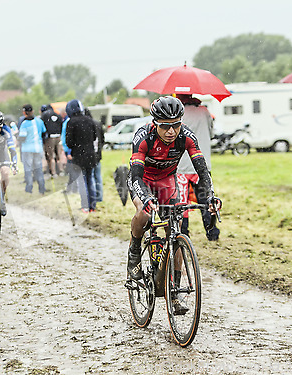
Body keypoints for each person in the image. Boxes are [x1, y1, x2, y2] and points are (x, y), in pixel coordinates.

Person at [126, 96, 221, 314]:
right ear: (155, 124)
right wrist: (147, 198)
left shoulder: (186, 136)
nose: (171, 131)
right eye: (165, 126)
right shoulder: (143, 137)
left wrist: (209, 197)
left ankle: (175, 291)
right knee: (145, 213)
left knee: (174, 230)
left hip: (167, 180)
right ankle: (134, 251)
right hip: (144, 180)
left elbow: (202, 170)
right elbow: (137, 176)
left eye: (176, 125)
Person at [176, 94, 220, 241]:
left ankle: (183, 233)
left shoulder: (178, 114)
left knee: (182, 202)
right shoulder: (204, 111)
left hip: (182, 165)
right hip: (202, 164)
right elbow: (211, 133)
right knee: (206, 200)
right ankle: (212, 232)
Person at [65, 99, 98, 213]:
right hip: (91, 155)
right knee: (90, 180)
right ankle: (93, 206)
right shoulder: (89, 120)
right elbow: (94, 137)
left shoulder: (71, 122)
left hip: (79, 156)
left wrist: (76, 145)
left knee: (82, 182)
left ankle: (85, 206)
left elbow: (69, 142)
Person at [18, 104, 47, 194]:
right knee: (38, 169)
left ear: (24, 112)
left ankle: (29, 188)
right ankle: (42, 188)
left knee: (28, 169)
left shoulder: (24, 124)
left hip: (27, 149)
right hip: (38, 148)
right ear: (32, 111)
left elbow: (22, 137)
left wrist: (17, 137)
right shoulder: (39, 121)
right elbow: (44, 133)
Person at [84, 107, 105, 202]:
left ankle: (93, 198)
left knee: (91, 177)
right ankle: (99, 197)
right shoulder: (98, 124)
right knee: (98, 176)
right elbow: (103, 139)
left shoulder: (86, 125)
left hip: (90, 155)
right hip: (98, 154)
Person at [40, 104, 63, 177]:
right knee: (58, 155)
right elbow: (61, 125)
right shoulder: (57, 115)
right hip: (58, 136)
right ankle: (61, 171)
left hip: (50, 138)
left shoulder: (44, 115)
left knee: (51, 156)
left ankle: (53, 173)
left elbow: (42, 127)